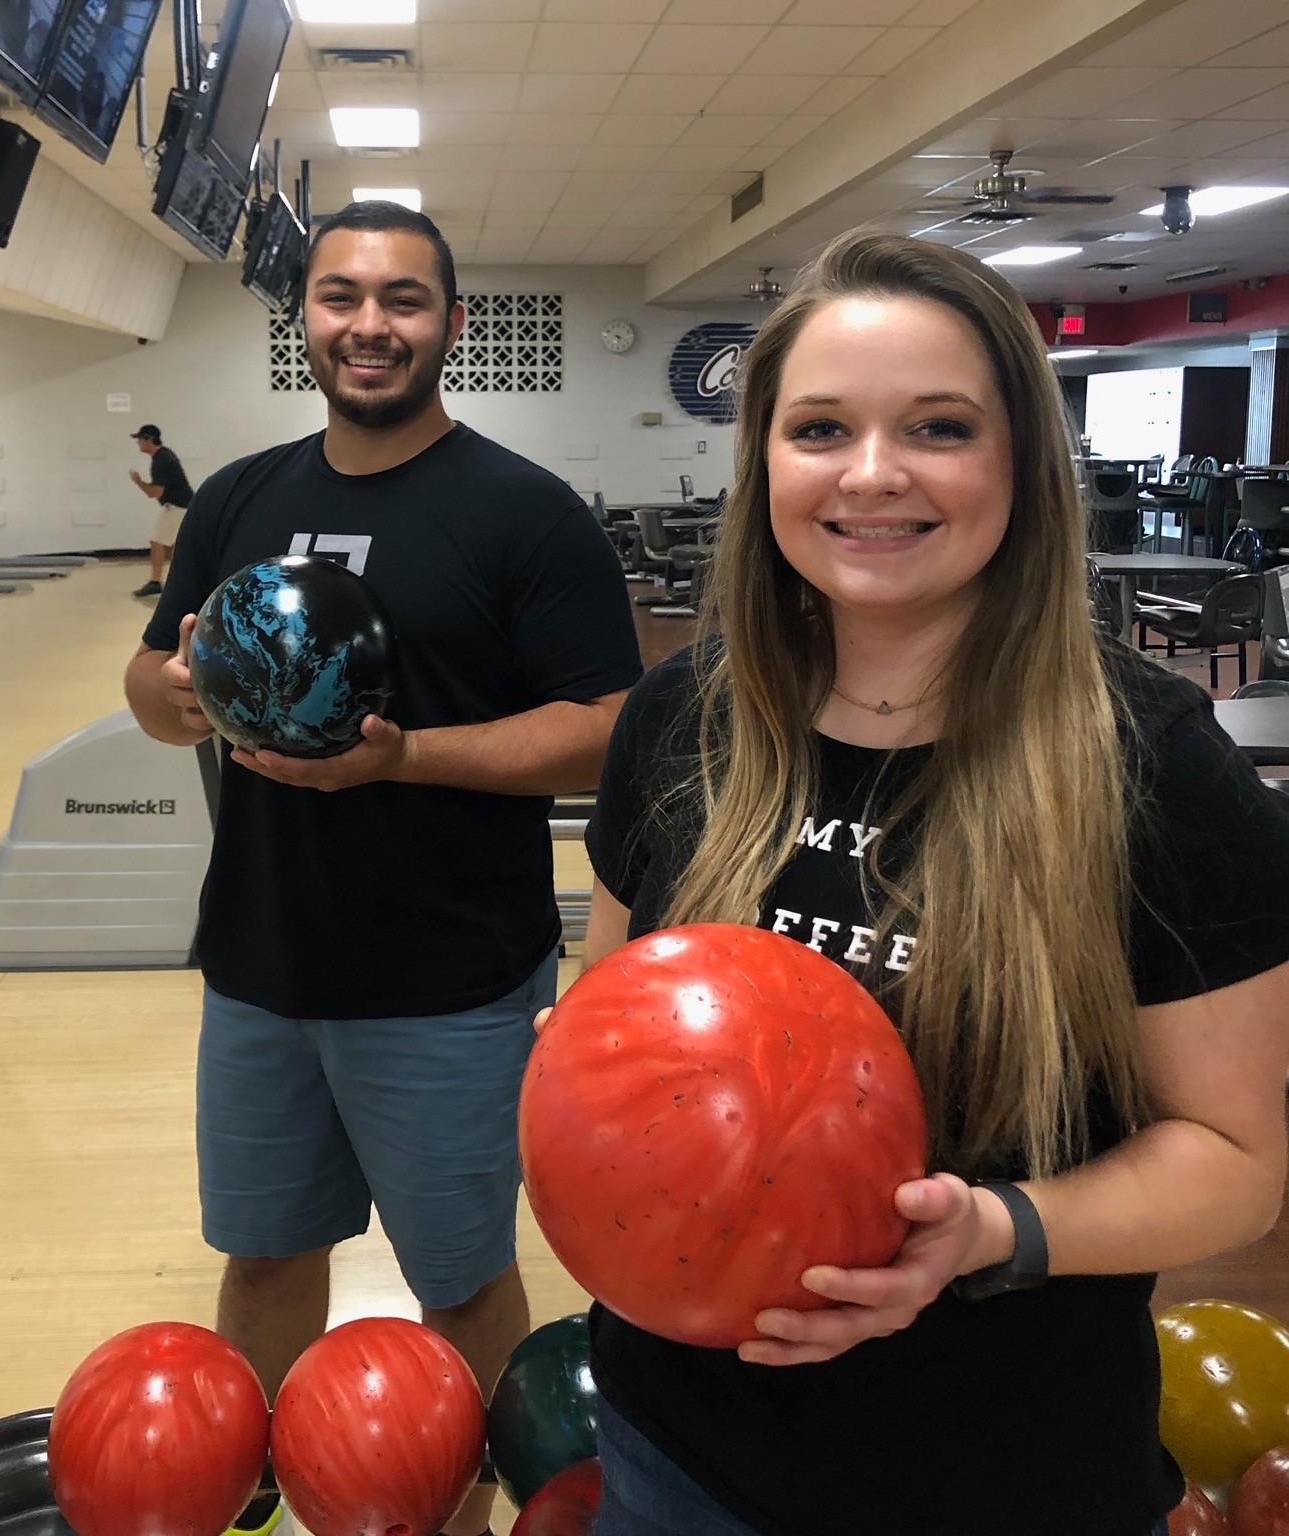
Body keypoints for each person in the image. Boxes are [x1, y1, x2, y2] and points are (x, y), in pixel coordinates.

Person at [570, 229, 1289, 1536]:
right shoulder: (676, 723)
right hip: (679, 1452)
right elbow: (602, 1047)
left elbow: (1238, 1163)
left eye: (940, 428)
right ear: (765, 462)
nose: (874, 474)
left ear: (1019, 461)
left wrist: (998, 1228)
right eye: (821, 428)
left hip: (1004, 1473)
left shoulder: (1158, 769)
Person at [123, 201, 642, 1536]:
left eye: (403, 300)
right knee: (263, 1257)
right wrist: (179, 693)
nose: (369, 325)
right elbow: (146, 675)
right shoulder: (239, 494)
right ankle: (270, 1504)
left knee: (461, 1284)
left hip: (448, 981)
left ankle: (442, 1515)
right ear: (304, 320)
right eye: (340, 297)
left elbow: (604, 730)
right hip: (259, 966)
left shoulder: (524, 514)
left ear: (451, 325)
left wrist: (402, 758)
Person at [129, 424, 194, 597]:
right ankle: (183, 582)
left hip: (177, 506)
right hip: (182, 505)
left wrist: (138, 482)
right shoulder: (163, 456)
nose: (138, 444)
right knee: (174, 546)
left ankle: (155, 582)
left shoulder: (161, 460)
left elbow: (155, 492)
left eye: (140, 440)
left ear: (148, 439)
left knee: (157, 543)